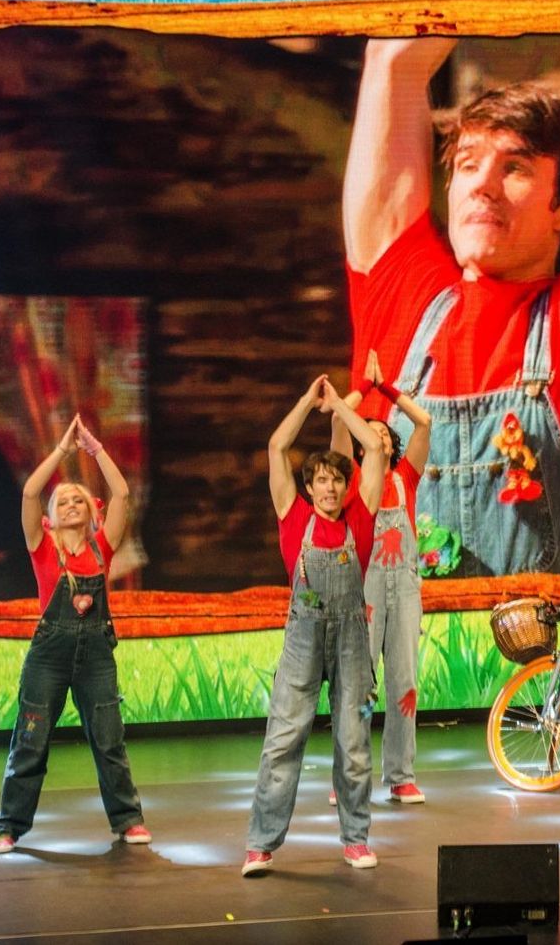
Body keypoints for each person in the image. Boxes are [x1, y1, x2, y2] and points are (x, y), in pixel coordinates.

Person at [342, 36, 560, 578]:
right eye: (469, 164)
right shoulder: (400, 304)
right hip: (400, 661)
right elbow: (393, 58)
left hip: (554, 661)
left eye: (515, 168)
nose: (482, 186)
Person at [242, 375, 386, 876]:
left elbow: (371, 445)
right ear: (308, 488)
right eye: (320, 480)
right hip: (302, 639)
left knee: (353, 742)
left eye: (337, 480)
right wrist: (308, 399)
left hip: (352, 641)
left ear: (347, 487)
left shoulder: (361, 517)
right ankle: (261, 844)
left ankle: (356, 838)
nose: (329, 487)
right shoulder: (291, 515)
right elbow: (277, 445)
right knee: (284, 739)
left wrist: (340, 408)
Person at [0, 415, 149, 853]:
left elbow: (121, 492)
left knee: (109, 739)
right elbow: (28, 491)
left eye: (78, 500)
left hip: (96, 656)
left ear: (90, 511)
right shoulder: (42, 547)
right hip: (49, 657)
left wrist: (96, 450)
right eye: (62, 502)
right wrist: (62, 451)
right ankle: (8, 827)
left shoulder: (103, 546)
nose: (71, 506)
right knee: (30, 740)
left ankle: (128, 820)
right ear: (52, 517)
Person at [331, 350, 433, 805]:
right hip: (367, 584)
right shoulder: (353, 481)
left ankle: (401, 775)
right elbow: (337, 421)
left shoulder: (406, 478)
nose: (378, 438)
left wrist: (387, 388)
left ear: (391, 442)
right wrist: (363, 388)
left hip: (405, 588)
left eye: (383, 433)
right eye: (367, 434)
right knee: (357, 681)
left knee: (404, 682)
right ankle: (349, 777)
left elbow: (424, 423)